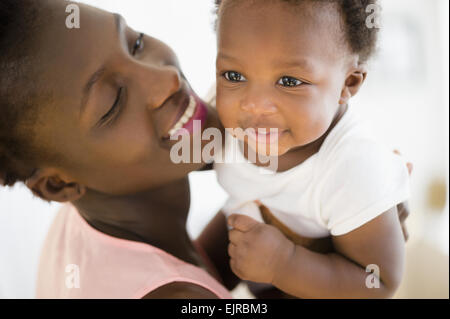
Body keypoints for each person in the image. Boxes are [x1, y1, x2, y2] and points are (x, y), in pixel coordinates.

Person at [0, 0, 410, 298]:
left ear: (349, 84)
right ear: (57, 185)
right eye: (113, 103)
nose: (166, 81)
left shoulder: (81, 221)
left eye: (136, 44)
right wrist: (293, 268)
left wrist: (338, 220)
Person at [214, 0, 411, 298]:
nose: (253, 103)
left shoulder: (354, 167)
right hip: (241, 227)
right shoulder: (219, 115)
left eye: (289, 81)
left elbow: (378, 282)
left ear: (349, 83)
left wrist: (284, 263)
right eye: (233, 75)